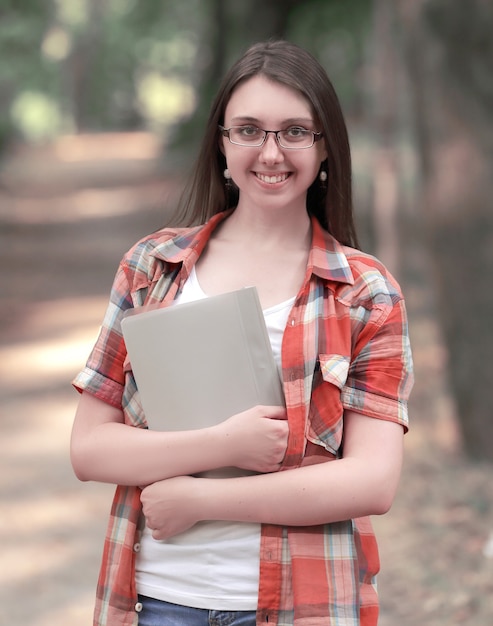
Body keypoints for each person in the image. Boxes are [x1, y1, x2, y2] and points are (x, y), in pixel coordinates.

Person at [70, 40, 414, 626]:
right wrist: (224, 445)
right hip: (157, 600)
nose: (271, 152)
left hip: (305, 603)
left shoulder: (365, 292)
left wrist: (204, 498)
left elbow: (373, 481)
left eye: (295, 132)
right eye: (249, 130)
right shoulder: (152, 268)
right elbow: (89, 447)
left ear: (324, 145)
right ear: (223, 145)